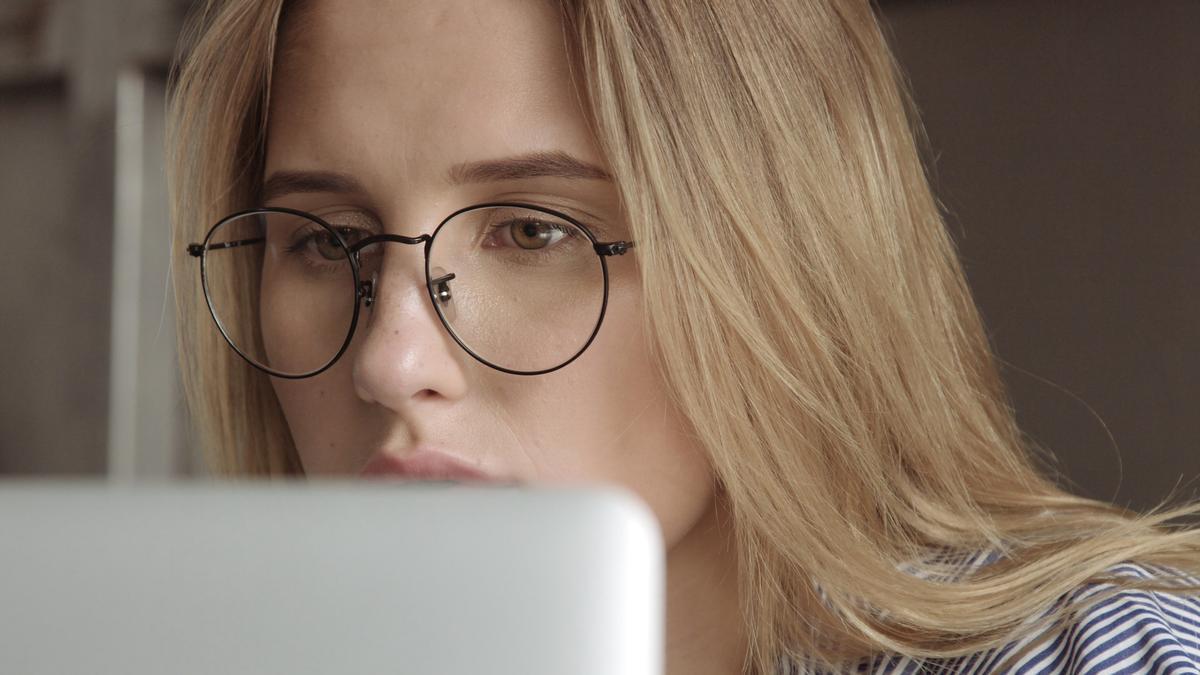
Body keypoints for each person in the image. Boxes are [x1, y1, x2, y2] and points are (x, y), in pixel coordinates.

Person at [167, 1, 1200, 673]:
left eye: (535, 231)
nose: (389, 363)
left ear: (775, 260)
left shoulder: (1096, 658)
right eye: (328, 241)